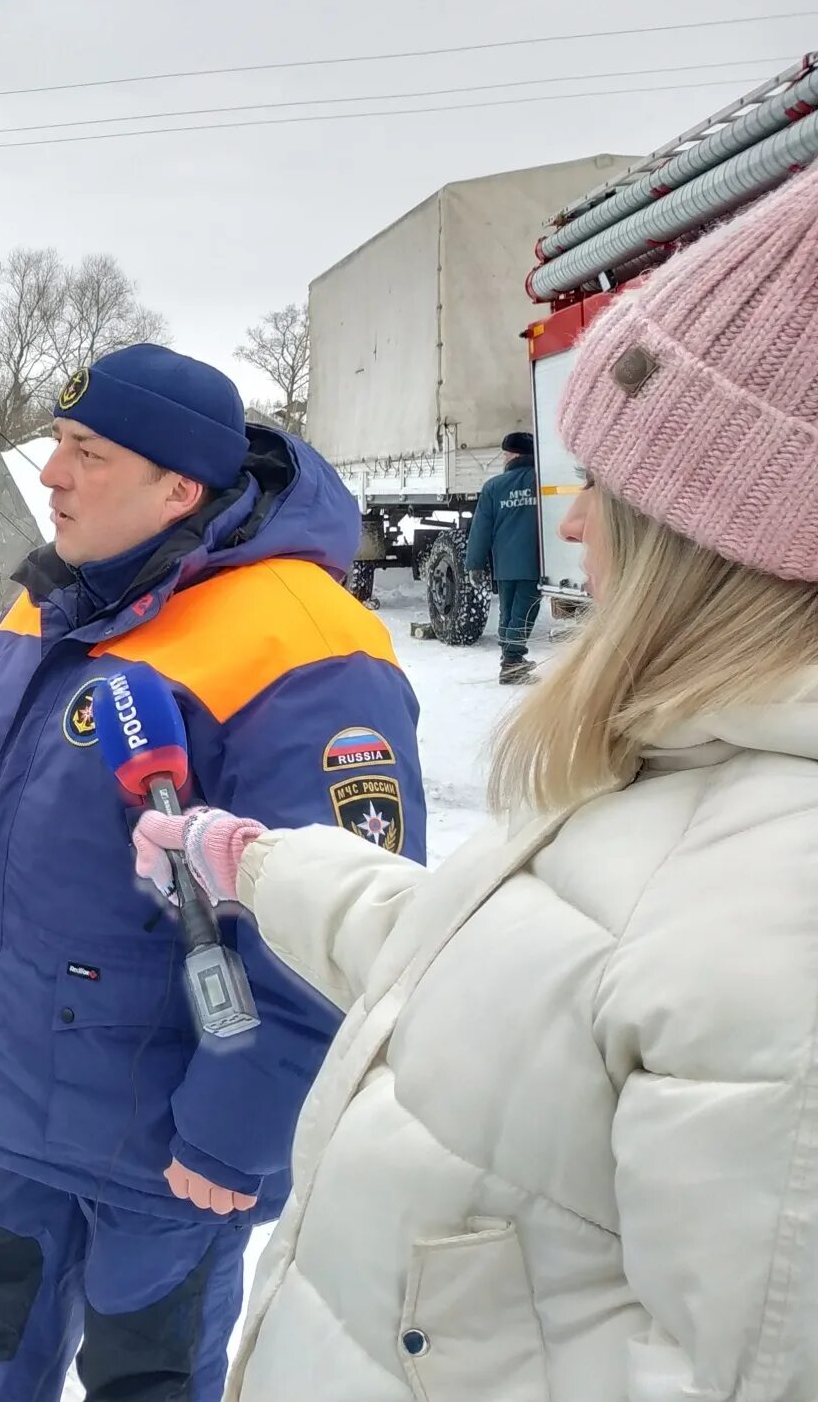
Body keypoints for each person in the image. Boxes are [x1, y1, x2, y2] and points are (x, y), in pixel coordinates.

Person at [137, 169, 818, 1399]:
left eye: (600, 492)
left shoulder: (781, 912)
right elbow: (488, 969)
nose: (568, 529)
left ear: (713, 542)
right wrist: (257, 860)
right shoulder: (678, 777)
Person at [0, 343, 426, 1402]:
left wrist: (234, 1137)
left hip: (167, 1137)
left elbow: (335, 928)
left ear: (176, 485)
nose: (49, 473)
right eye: (56, 444)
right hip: (24, 1095)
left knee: (145, 1377)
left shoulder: (303, 642)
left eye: (85, 452)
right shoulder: (57, 595)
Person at [466, 429, 542, 683]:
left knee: (508, 611)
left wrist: (474, 564)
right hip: (533, 561)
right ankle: (512, 661)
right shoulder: (541, 481)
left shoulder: (493, 487)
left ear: (512, 455)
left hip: (505, 564)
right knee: (524, 610)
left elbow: (480, 529)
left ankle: (509, 658)